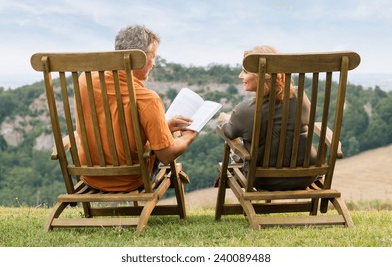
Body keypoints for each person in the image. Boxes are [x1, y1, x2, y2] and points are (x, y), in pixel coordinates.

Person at [76, 25, 197, 192]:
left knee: (167, 131)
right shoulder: (147, 99)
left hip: (91, 177)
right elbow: (166, 155)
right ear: (138, 58)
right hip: (131, 179)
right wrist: (188, 137)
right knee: (173, 138)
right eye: (153, 57)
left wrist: (164, 127)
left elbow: (115, 126)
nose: (154, 63)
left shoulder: (86, 80)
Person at [217, 45, 317, 191]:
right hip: (307, 176)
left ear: (260, 75)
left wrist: (224, 118)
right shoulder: (301, 98)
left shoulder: (245, 111)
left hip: (264, 179)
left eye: (245, 71)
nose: (240, 76)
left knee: (237, 151)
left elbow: (229, 131)